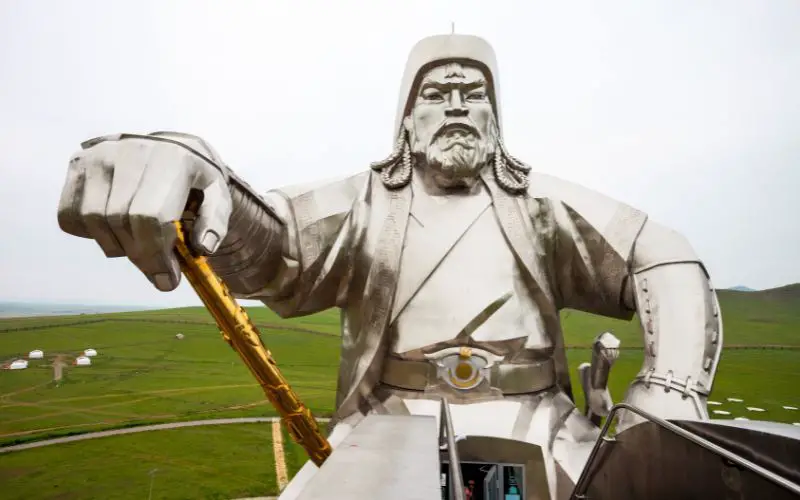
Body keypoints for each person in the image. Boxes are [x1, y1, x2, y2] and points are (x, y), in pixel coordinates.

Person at [56, 34, 723, 499]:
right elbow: (274, 243)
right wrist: (202, 176)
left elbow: (660, 251)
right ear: (405, 120)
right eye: (438, 92)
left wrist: (670, 387)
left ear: (497, 118)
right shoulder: (364, 203)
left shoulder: (539, 205)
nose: (459, 105)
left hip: (539, 420)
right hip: (388, 420)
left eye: (474, 93)